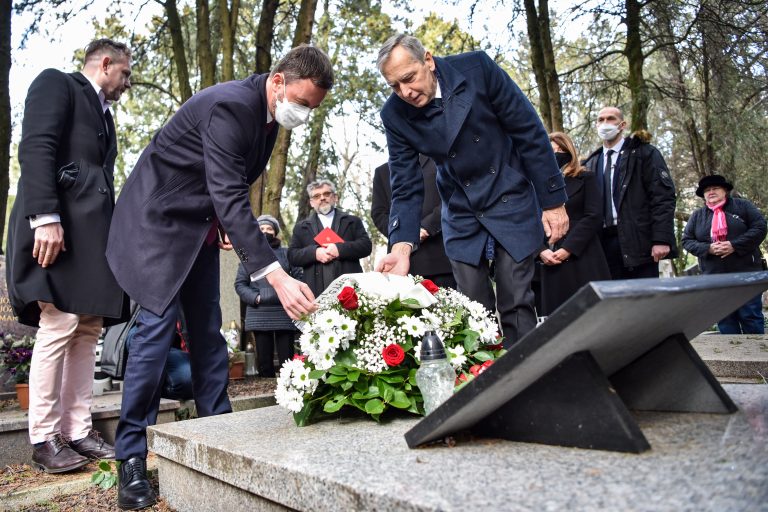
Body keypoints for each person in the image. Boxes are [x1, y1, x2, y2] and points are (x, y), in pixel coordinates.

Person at [105, 45, 333, 510]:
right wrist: (276, 274)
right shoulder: (231, 105)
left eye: (313, 107)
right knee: (154, 333)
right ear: (278, 82)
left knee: (208, 334)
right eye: (303, 102)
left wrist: (226, 225)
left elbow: (226, 184)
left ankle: (219, 431)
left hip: (198, 228)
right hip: (157, 224)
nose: (305, 113)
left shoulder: (268, 118)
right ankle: (130, 457)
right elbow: (228, 191)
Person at [374, 34, 569, 346]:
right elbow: (405, 184)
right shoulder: (394, 115)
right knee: (472, 310)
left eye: (409, 79)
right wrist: (401, 246)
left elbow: (528, 131)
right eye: (395, 86)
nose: (405, 92)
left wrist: (553, 202)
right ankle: (485, 387)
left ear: (428, 59)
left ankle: (530, 384)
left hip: (510, 194)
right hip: (460, 207)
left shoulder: (477, 69)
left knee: (516, 299)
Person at [5, 39, 132, 473]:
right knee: (57, 321)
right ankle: (43, 437)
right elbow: (37, 147)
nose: (126, 83)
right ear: (106, 63)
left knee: (88, 326)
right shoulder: (56, 84)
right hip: (56, 227)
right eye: (126, 74)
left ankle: (77, 430)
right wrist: (44, 216)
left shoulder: (107, 117)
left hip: (91, 239)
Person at [583, 106, 677, 279]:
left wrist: (661, 239)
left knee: (643, 299)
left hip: (638, 240)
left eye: (610, 118)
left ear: (622, 124)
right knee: (614, 301)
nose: (605, 123)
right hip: (603, 243)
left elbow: (662, 197)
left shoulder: (644, 153)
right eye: (600, 120)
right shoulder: (591, 162)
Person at [537, 132, 611, 316]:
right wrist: (540, 250)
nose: (557, 154)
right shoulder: (536, 184)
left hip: (582, 254)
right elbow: (528, 220)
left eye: (561, 149)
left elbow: (594, 215)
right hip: (549, 257)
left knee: (591, 313)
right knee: (556, 317)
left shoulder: (586, 177)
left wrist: (568, 248)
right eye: (552, 150)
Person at [682, 175, 767, 334]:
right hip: (715, 276)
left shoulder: (743, 206)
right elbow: (687, 241)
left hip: (747, 272)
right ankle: (731, 356)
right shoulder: (697, 216)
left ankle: (756, 355)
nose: (711, 192)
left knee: (750, 316)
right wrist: (709, 249)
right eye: (707, 190)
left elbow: (760, 228)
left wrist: (734, 245)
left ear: (725, 190)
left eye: (715, 188)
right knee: (725, 318)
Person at [372, 157, 456, 289]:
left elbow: (450, 197)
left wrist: (426, 227)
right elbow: (378, 213)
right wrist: (404, 233)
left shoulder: (439, 160)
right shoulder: (382, 172)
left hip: (441, 259)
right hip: (402, 266)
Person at [235, 215, 301, 377]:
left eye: (269, 229)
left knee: (287, 359)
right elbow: (240, 284)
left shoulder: (286, 253)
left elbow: (298, 277)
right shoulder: (247, 255)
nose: (265, 232)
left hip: (284, 310)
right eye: (261, 229)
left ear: (276, 232)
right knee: (264, 360)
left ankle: (290, 388)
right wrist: (257, 297)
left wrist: (287, 293)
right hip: (259, 312)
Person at [288, 180, 372, 297]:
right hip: (315, 292)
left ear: (335, 197)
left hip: (350, 289)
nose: (322, 198)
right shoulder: (301, 227)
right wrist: (315, 252)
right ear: (311, 202)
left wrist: (339, 249)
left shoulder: (352, 221)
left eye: (326, 194)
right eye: (317, 196)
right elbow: (292, 255)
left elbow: (366, 246)